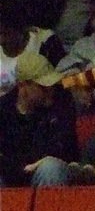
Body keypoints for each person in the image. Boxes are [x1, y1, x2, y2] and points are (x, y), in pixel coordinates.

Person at [0, 52, 78, 188]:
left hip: (46, 171)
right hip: (9, 176)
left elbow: (67, 147)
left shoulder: (61, 104)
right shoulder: (3, 110)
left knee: (50, 168)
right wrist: (19, 168)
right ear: (23, 86)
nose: (50, 90)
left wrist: (41, 161)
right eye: (43, 86)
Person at [0, 0, 65, 98]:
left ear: (21, 27)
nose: (2, 40)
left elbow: (62, 84)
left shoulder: (46, 42)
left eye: (6, 33)